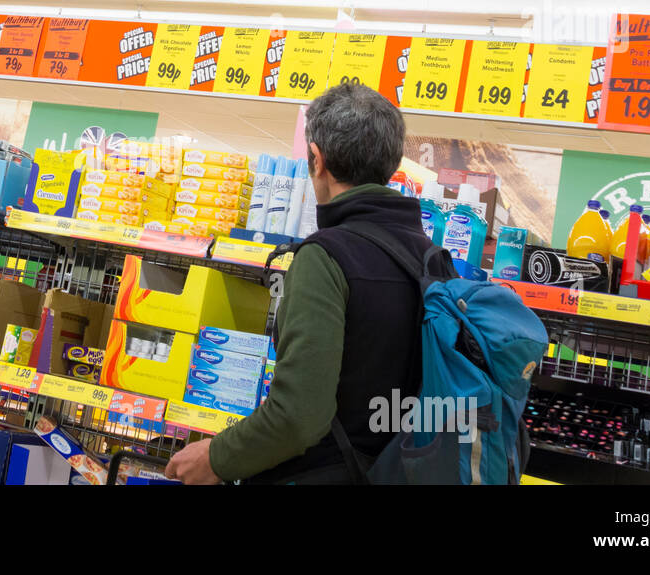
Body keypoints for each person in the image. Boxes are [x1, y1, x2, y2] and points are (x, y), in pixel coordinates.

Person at [165, 83, 446, 484]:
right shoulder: (432, 259)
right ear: (391, 164)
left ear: (316, 159)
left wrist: (216, 457)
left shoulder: (327, 257)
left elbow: (299, 416)